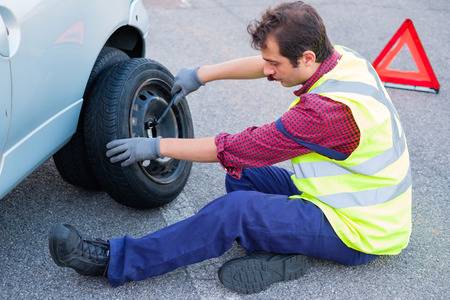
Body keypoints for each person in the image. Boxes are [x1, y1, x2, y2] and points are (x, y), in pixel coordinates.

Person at [48, 1, 412, 294]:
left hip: (361, 230)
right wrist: (201, 74)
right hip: (342, 194)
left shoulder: (326, 114)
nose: (268, 71)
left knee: (235, 210)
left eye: (275, 64)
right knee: (243, 179)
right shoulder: (340, 58)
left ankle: (114, 260)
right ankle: (284, 247)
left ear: (306, 59)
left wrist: (156, 145)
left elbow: (236, 147)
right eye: (267, 61)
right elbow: (262, 65)